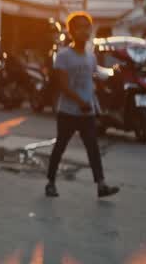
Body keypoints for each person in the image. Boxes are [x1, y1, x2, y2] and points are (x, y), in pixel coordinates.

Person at [45, 12, 119, 199]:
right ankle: (50, 183)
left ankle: (101, 185)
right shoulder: (63, 56)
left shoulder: (90, 57)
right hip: (68, 111)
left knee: (93, 148)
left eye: (87, 27)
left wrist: (113, 73)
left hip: (87, 112)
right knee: (60, 146)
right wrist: (80, 102)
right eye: (79, 27)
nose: (84, 30)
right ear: (71, 31)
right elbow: (62, 86)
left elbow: (95, 77)